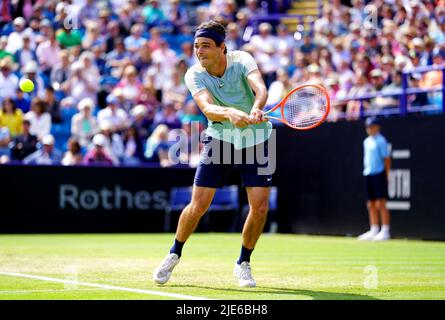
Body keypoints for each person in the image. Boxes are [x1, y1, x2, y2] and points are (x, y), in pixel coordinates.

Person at [153, 21, 272, 288]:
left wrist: (256, 106)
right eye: (196, 46)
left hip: (259, 139)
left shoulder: (242, 60)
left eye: (206, 46)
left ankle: (243, 262)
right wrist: (230, 113)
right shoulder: (194, 74)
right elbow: (207, 108)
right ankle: (174, 253)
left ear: (222, 47)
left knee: (260, 207)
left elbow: (261, 89)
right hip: (220, 139)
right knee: (198, 206)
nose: (199, 51)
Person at [358, 117, 391, 241]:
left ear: (377, 127)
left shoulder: (381, 141)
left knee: (381, 202)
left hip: (379, 174)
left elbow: (387, 159)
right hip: (368, 174)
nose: (369, 129)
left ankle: (385, 230)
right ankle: (374, 229)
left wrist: (386, 175)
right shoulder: (366, 141)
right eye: (368, 127)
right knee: (370, 203)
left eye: (372, 126)